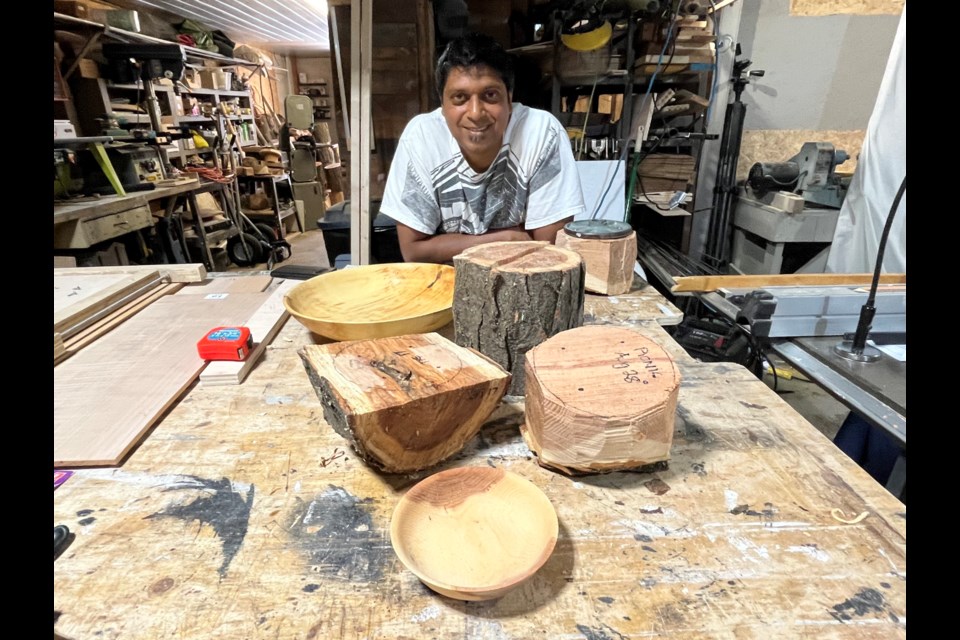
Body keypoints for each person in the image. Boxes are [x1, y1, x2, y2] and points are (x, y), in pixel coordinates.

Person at [380, 32, 586, 264]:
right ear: (443, 103)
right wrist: (507, 238)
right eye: (460, 97)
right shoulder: (421, 138)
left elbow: (547, 252)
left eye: (490, 95)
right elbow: (414, 252)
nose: (476, 113)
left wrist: (446, 243)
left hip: (523, 285)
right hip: (443, 286)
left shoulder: (542, 134)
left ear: (509, 98)